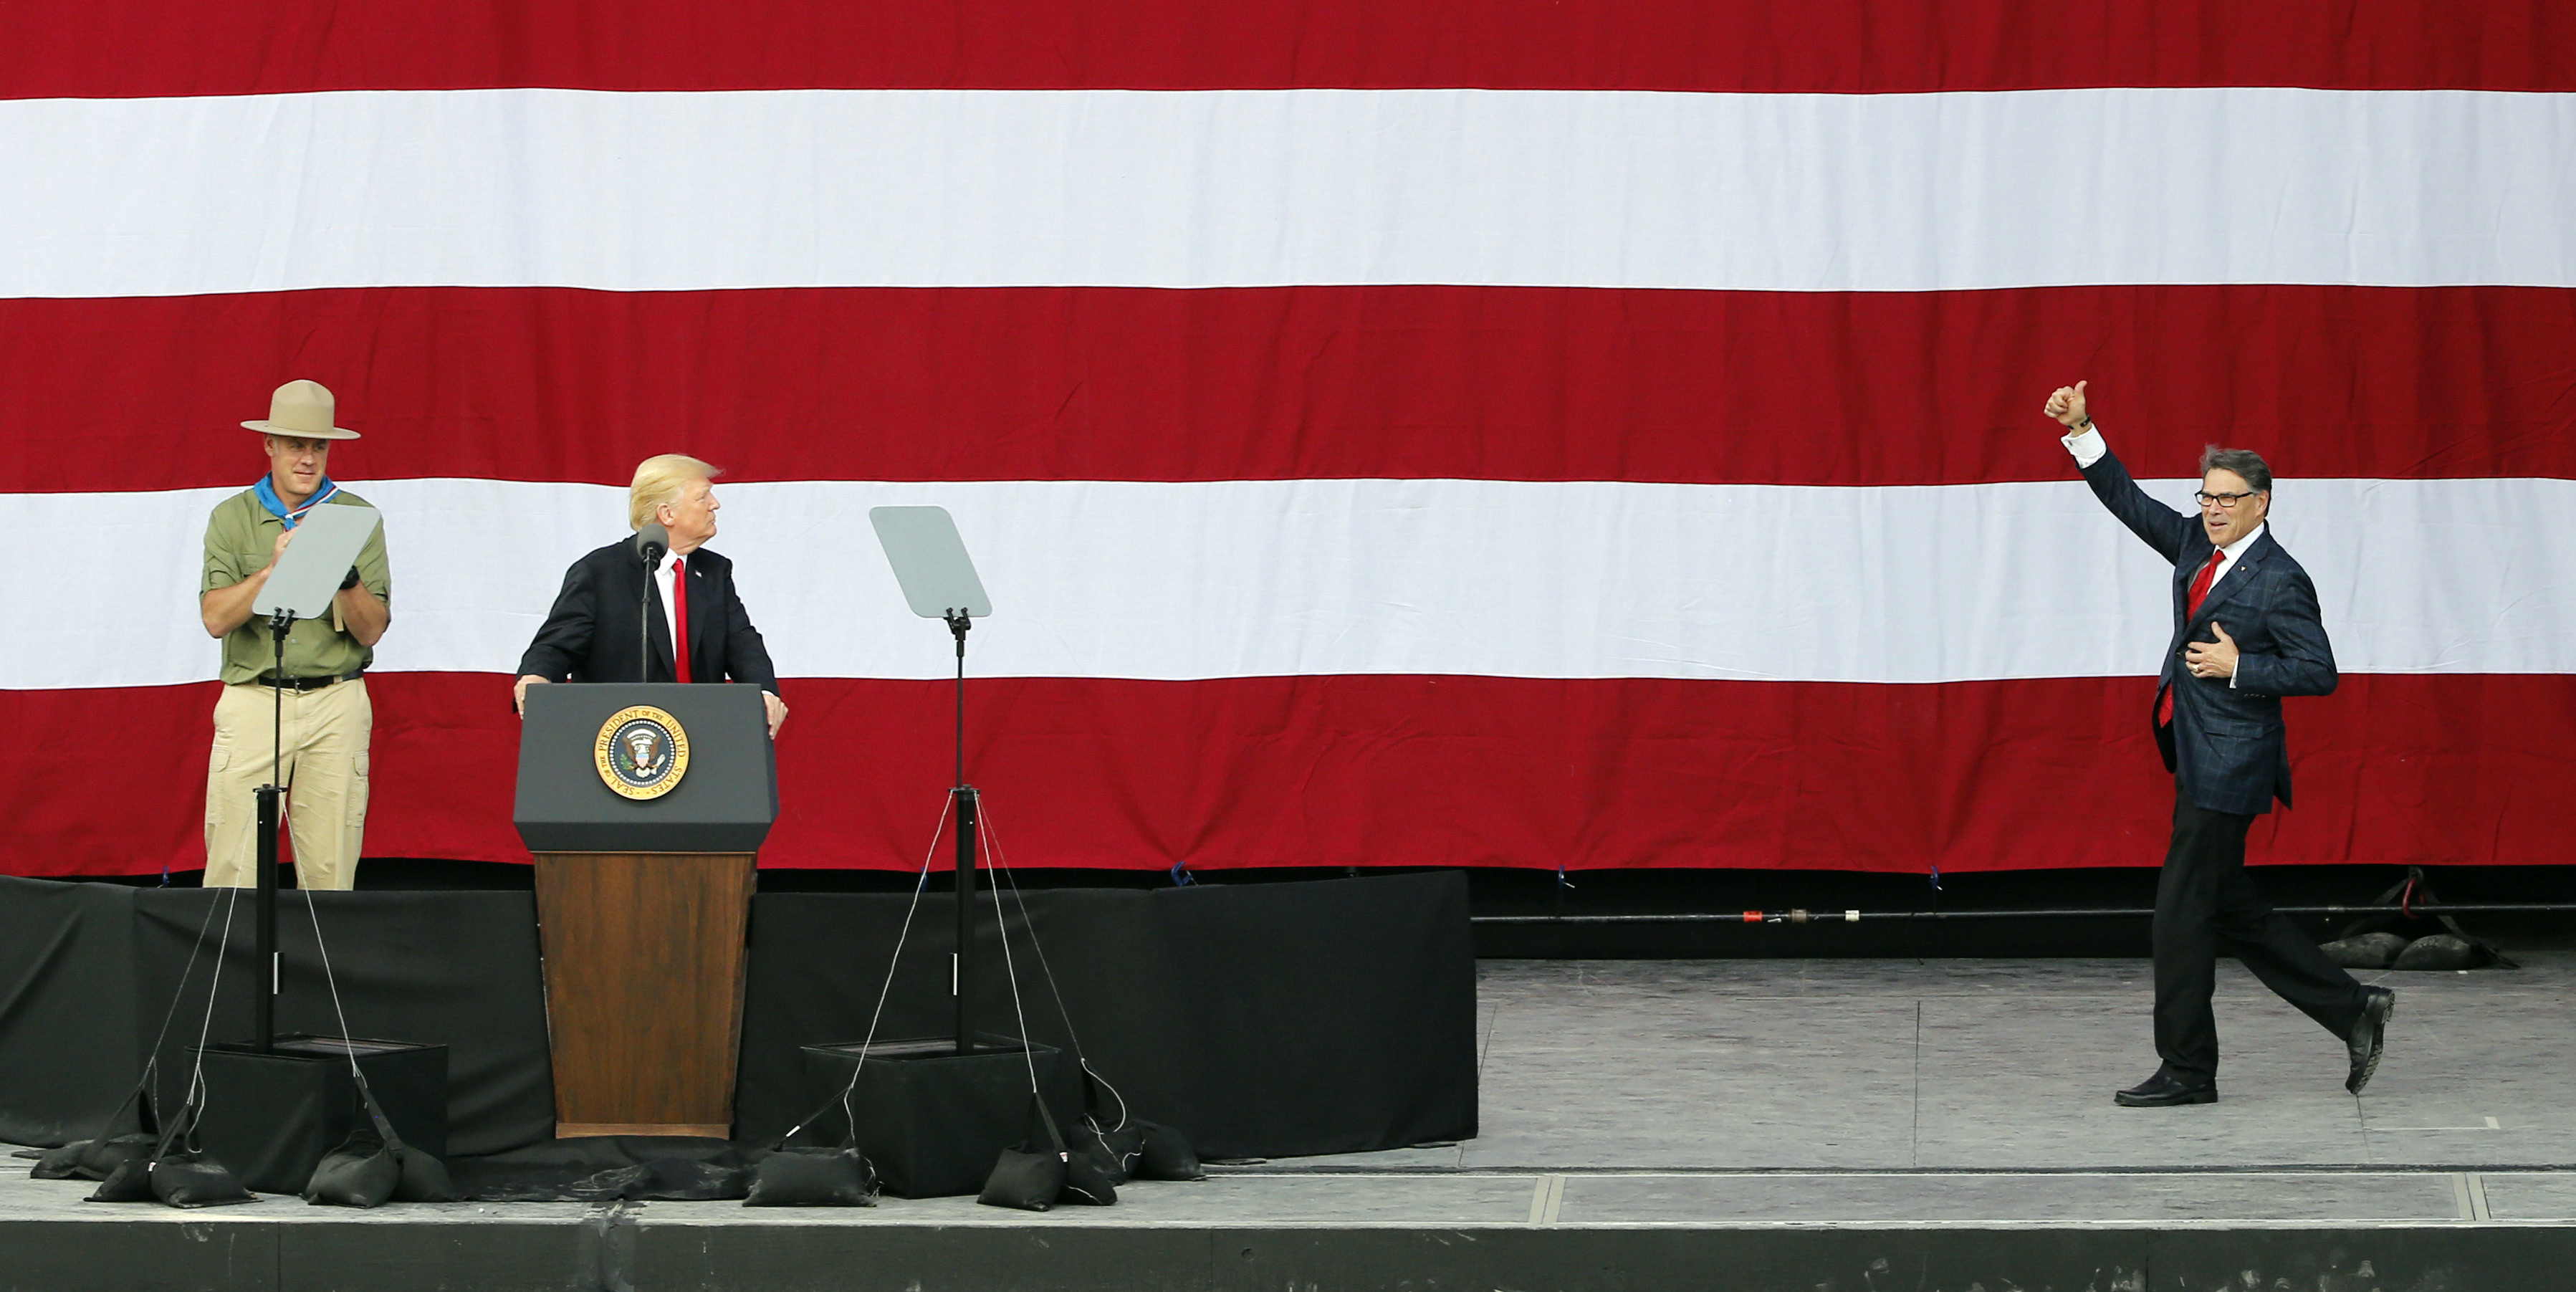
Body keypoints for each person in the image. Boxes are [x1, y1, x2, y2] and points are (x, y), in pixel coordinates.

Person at [2044, 381, 2392, 1107]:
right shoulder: (2197, 545)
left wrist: (2240, 669)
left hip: (2231, 767)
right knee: (2228, 905)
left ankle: (2187, 1071)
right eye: (2205, 497)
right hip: (2197, 754)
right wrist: (2083, 433)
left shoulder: (2279, 580)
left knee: (2178, 917)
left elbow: (2318, 672)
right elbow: (2130, 503)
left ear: (2261, 503)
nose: (2211, 509)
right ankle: (2351, 1006)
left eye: (2226, 499)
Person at [198, 380, 392, 890]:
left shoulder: (355, 517)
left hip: (336, 698)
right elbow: (215, 618)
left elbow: (372, 630)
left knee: (330, 866)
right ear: (270, 446)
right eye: (295, 445)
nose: (307, 459)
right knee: (234, 864)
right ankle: (233, 969)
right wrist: (270, 573)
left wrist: (345, 578)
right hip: (254, 698)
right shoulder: (232, 517)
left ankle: (318, 970)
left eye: (318, 446)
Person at [514, 454, 787, 737]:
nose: (714, 504)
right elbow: (557, 645)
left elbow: (742, 643)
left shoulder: (714, 572)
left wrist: (765, 691)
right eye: (702, 497)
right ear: (667, 513)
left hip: (701, 735)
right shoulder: (600, 572)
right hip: (620, 739)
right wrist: (536, 676)